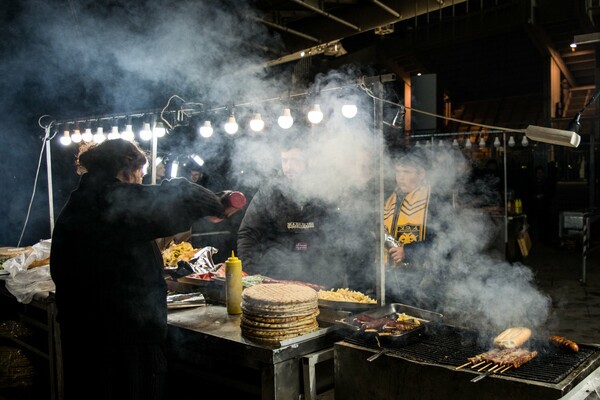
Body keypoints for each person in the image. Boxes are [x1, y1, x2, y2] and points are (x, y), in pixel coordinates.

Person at [50, 139, 236, 400]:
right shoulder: (113, 200)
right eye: (141, 174)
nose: (141, 181)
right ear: (128, 169)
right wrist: (217, 203)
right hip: (121, 344)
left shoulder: (82, 200)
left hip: (82, 338)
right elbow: (182, 198)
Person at [236, 138, 338, 288]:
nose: (289, 167)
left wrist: (334, 275)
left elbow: (336, 237)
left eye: (296, 160)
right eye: (285, 161)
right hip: (275, 279)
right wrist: (252, 274)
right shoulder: (268, 192)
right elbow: (248, 233)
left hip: (316, 278)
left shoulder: (323, 192)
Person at [383, 147, 446, 306]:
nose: (400, 178)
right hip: (392, 277)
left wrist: (408, 251)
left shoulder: (435, 201)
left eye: (407, 172)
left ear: (421, 174)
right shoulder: (390, 199)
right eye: (398, 172)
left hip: (424, 281)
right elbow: (386, 231)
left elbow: (444, 241)